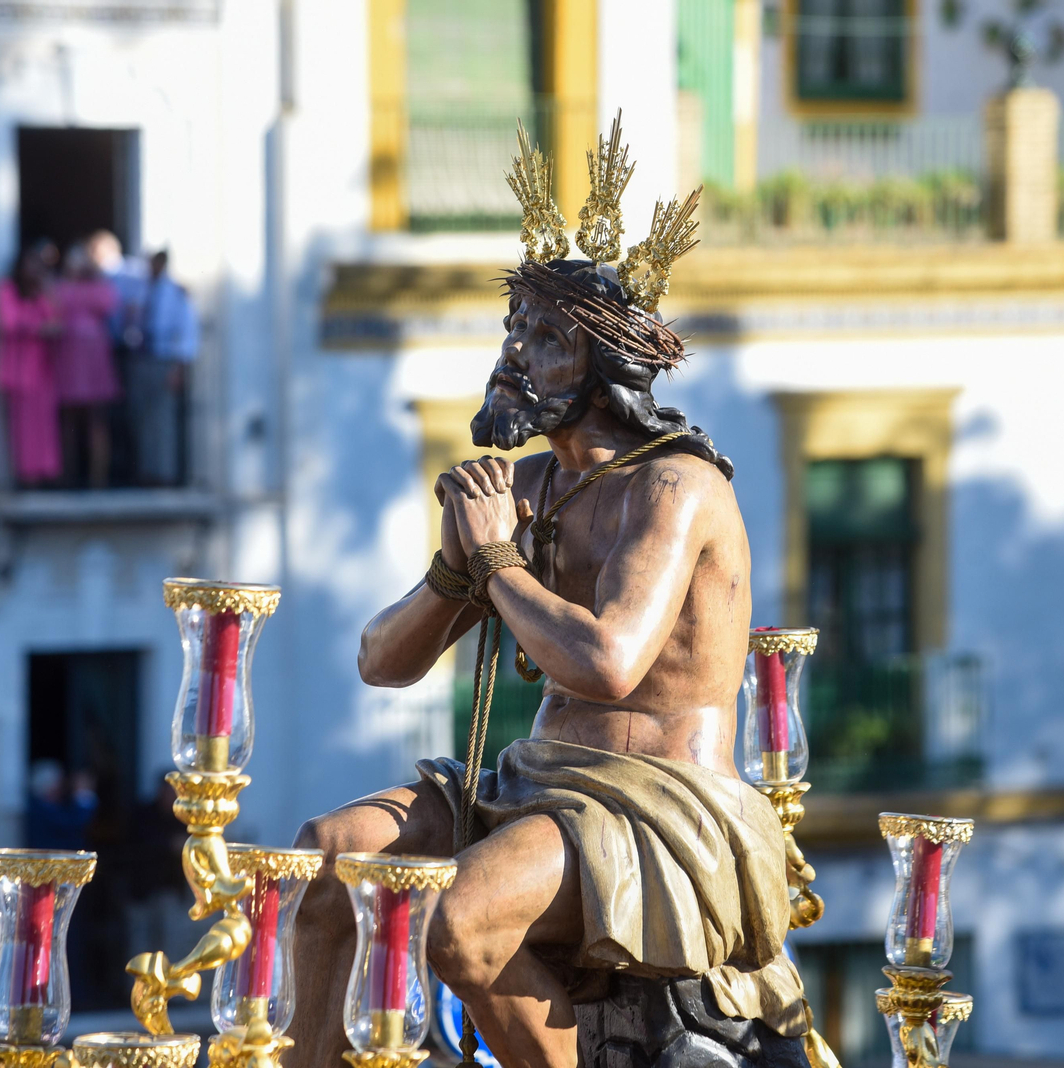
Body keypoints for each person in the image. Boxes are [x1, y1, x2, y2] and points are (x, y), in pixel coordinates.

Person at [286, 121, 806, 1068]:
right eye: (513, 331)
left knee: (459, 921)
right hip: (532, 785)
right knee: (325, 854)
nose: (515, 356)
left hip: (658, 808)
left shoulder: (676, 487)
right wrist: (457, 570)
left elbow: (608, 662)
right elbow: (381, 663)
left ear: (606, 365)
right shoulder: (527, 488)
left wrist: (499, 563)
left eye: (545, 338)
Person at [120, 249, 197, 487]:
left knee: (163, 418)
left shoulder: (175, 292)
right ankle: (147, 470)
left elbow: (187, 330)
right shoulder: (141, 289)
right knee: (141, 416)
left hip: (164, 358)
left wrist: (179, 367)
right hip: (141, 357)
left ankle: (164, 473)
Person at [52, 243, 121, 488]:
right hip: (68, 360)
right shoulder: (60, 288)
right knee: (68, 420)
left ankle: (98, 478)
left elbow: (109, 304)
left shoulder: (99, 288)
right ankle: (67, 476)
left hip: (93, 361)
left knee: (96, 420)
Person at [0, 244, 62, 487]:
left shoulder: (41, 293)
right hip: (19, 371)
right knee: (23, 427)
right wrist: (38, 327)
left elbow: (56, 322)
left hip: (42, 369)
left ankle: (45, 473)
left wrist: (45, 294)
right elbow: (9, 323)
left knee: (44, 424)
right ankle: (26, 475)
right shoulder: (7, 290)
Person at [24, 761, 98, 851]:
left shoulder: (49, 806)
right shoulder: (41, 809)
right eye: (59, 785)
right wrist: (84, 794)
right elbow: (73, 823)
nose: (62, 789)